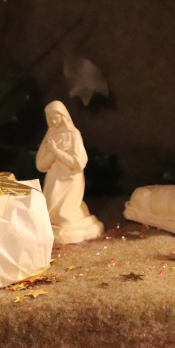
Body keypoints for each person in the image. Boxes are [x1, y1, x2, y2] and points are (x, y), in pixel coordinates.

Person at [36, 101, 103, 243]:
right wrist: (52, 153)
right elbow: (40, 164)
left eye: (56, 117)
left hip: (70, 180)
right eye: (50, 118)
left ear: (63, 116)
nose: (54, 121)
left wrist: (56, 151)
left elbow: (78, 163)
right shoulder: (50, 135)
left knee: (64, 214)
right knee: (50, 210)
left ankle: (74, 219)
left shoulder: (73, 134)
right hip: (54, 178)